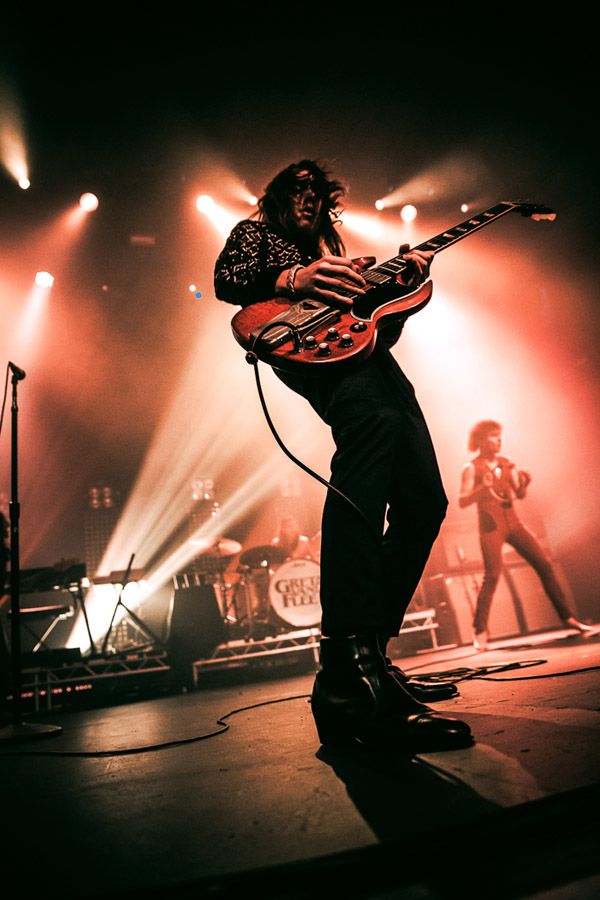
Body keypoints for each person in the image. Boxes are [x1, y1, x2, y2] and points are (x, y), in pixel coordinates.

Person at [214, 159, 472, 751]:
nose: (308, 196)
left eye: (318, 190)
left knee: (424, 502)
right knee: (373, 429)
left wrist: (401, 286)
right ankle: (347, 676)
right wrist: (294, 280)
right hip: (303, 349)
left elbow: (373, 327)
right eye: (297, 187)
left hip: (368, 361)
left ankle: (369, 660)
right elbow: (228, 280)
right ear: (279, 196)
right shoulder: (256, 235)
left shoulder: (336, 255)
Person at [459, 420, 596, 650]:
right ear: (482, 440)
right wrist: (483, 488)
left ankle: (569, 619)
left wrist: (524, 484)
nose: (499, 440)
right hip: (491, 527)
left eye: (500, 435)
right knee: (492, 575)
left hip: (514, 522)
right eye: (494, 436)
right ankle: (479, 631)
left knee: (544, 564)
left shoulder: (507, 464)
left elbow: (518, 495)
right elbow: (463, 500)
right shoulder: (471, 468)